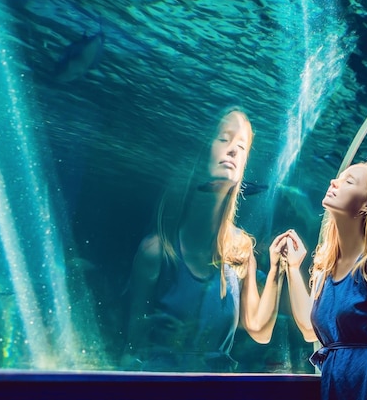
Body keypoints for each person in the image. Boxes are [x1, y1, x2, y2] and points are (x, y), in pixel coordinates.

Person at [120, 107, 286, 372]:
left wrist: (277, 268)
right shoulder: (157, 252)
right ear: (201, 150)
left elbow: (260, 330)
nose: (232, 149)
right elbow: (132, 349)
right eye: (223, 138)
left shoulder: (241, 250)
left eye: (241, 147)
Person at [282, 160, 367, 400]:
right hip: (338, 384)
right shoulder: (325, 266)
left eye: (348, 181)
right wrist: (293, 268)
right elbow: (309, 328)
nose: (333, 182)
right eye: (339, 177)